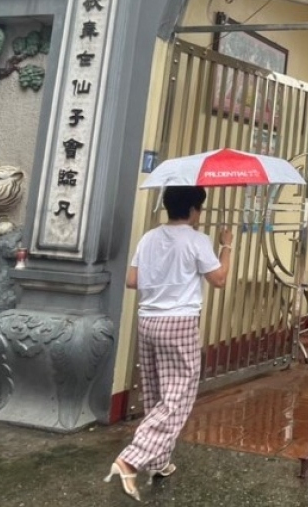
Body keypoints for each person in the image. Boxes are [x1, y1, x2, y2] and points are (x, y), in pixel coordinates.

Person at [106, 185, 232, 501]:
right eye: (200, 209)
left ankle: (160, 461)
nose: (200, 215)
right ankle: (131, 459)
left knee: (156, 393)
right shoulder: (197, 241)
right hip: (179, 324)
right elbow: (219, 280)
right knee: (177, 397)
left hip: (148, 322)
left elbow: (132, 280)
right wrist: (227, 247)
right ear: (192, 210)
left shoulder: (149, 238)